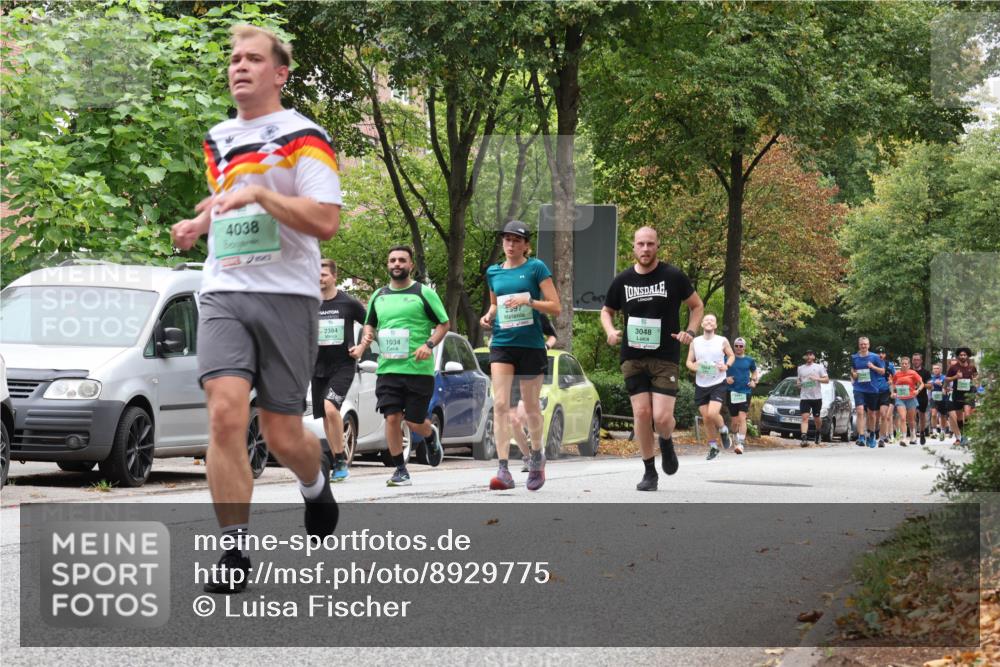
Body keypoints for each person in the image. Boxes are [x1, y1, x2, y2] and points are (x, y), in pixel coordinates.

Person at [170, 25, 342, 594]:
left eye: (252, 59)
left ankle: (314, 484)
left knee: (282, 432)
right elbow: (229, 199)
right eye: (234, 59)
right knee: (223, 415)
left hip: (287, 295)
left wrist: (263, 195)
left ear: (279, 73)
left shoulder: (305, 136)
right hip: (222, 288)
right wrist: (200, 222)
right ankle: (234, 550)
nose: (239, 66)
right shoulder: (218, 137)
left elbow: (325, 220)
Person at [602, 227, 704, 492]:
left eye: (650, 244)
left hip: (665, 356)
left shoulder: (673, 276)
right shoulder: (623, 280)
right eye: (640, 244)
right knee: (642, 413)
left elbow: (697, 305)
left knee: (660, 417)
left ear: (657, 246)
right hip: (633, 357)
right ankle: (649, 472)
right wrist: (611, 331)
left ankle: (667, 441)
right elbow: (606, 311)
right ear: (633, 248)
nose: (645, 249)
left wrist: (690, 332)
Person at [353, 246, 449, 486]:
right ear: (388, 265)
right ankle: (400, 469)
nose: (397, 264)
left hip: (418, 369)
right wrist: (367, 337)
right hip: (388, 369)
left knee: (415, 421)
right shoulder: (378, 295)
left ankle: (430, 434)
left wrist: (428, 344)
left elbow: (444, 324)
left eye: (402, 260)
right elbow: (370, 324)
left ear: (411, 265)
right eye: (393, 260)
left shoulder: (423, 293)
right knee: (392, 418)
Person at [480, 221, 560, 491]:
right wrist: (489, 316)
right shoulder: (493, 272)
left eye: (517, 240)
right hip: (502, 343)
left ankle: (537, 455)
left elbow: (556, 307)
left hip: (531, 345)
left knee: (531, 406)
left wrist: (530, 302)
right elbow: (495, 303)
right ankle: (503, 469)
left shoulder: (536, 268)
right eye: (507, 239)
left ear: (526, 245)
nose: (511, 245)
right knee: (501, 404)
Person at [313, 259, 367, 482]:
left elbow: (371, 324)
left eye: (324, 274)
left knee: (331, 408)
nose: (319, 278)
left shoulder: (348, 303)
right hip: (317, 367)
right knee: (325, 416)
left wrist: (362, 347)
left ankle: (340, 459)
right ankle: (337, 460)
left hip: (343, 365)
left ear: (334, 277)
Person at [510, 315, 558, 473]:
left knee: (526, 414)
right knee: (513, 421)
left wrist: (546, 347)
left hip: (531, 368)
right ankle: (527, 457)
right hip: (510, 372)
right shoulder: (504, 313)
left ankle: (537, 448)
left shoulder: (537, 314)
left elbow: (553, 336)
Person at [686, 314, 736, 461]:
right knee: (706, 418)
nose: (709, 322)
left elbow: (731, 356)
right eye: (706, 320)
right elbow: (688, 362)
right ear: (702, 324)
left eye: (712, 320)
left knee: (713, 413)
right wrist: (695, 367)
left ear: (715, 325)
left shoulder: (722, 340)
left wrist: (726, 365)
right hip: (701, 384)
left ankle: (723, 429)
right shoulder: (695, 342)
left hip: (718, 382)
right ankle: (713, 447)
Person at [850, 337, 885, 448]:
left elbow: (883, 371)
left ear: (869, 345)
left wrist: (872, 366)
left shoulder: (875, 357)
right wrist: (853, 376)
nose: (863, 346)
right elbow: (853, 371)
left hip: (872, 389)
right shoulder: (854, 357)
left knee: (872, 414)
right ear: (859, 345)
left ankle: (872, 434)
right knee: (860, 411)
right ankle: (861, 436)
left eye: (865, 344)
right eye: (861, 344)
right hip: (859, 388)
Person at [725, 337, 758, 454]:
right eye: (736, 346)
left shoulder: (749, 360)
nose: (738, 348)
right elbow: (719, 371)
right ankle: (734, 437)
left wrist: (753, 380)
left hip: (745, 392)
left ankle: (740, 444)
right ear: (733, 347)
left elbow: (754, 371)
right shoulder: (727, 359)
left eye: (741, 346)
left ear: (744, 347)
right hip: (731, 392)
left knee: (742, 418)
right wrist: (726, 378)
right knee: (734, 422)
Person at [945, 347, 978, 446]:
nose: (963, 356)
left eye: (964, 355)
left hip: (968, 393)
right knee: (959, 417)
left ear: (967, 356)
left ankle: (966, 435)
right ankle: (962, 436)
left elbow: (976, 376)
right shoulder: (953, 368)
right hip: (957, 394)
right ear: (958, 356)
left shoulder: (972, 367)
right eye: (961, 355)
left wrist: (975, 379)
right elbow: (946, 380)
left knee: (967, 414)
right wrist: (955, 377)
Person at [796, 349, 829, 447]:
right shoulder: (800, 368)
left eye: (810, 355)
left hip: (816, 397)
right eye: (807, 355)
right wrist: (798, 384)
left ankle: (818, 431)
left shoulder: (819, 367)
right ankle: (804, 438)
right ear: (805, 357)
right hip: (805, 397)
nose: (809, 357)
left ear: (814, 357)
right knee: (804, 418)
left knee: (816, 418)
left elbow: (826, 380)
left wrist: (817, 379)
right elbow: (798, 381)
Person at [891, 356, 924, 447]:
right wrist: (892, 392)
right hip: (900, 398)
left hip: (911, 398)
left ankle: (913, 435)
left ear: (909, 365)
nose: (904, 365)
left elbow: (922, 383)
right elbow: (893, 383)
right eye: (902, 364)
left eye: (906, 364)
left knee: (911, 420)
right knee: (902, 418)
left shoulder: (913, 373)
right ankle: (904, 438)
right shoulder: (897, 374)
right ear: (900, 364)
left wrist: (918, 390)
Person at [873, 346, 896, 446]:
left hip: (885, 392)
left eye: (882, 353)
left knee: (883, 414)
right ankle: (873, 434)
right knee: (874, 416)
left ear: (885, 355)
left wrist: (892, 384)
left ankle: (882, 438)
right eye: (878, 353)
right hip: (873, 392)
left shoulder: (889, 365)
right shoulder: (871, 364)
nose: (880, 355)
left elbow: (896, 378)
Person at [910, 353, 932, 445]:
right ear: (912, 361)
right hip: (911, 396)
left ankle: (922, 432)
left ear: (921, 361)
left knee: (922, 416)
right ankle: (913, 435)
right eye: (914, 359)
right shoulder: (909, 371)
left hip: (922, 396)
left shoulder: (926, 372)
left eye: (917, 360)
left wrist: (921, 385)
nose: (916, 361)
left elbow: (930, 386)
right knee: (912, 416)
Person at [928, 362, 947, 439]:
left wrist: (942, 385)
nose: (935, 370)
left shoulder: (944, 377)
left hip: (943, 398)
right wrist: (932, 384)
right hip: (934, 398)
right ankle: (934, 431)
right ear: (932, 370)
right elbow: (928, 385)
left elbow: (948, 386)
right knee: (933, 414)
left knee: (943, 416)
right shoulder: (931, 378)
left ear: (941, 369)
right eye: (934, 368)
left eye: (937, 368)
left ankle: (942, 431)